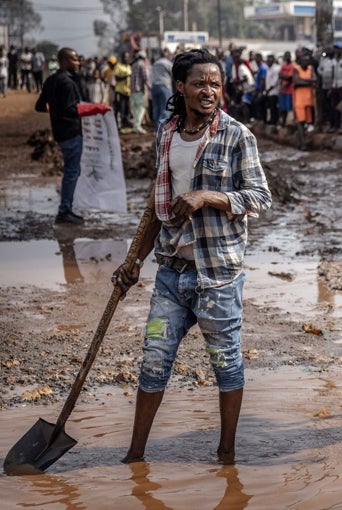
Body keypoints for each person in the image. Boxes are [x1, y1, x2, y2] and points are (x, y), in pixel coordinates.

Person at [111, 48, 272, 465]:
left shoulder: (238, 136)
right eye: (199, 83)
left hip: (217, 275)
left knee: (226, 364)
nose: (208, 91)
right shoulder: (167, 134)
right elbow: (156, 206)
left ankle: (227, 455)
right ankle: (134, 455)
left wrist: (209, 196)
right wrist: (133, 262)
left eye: (215, 84)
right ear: (179, 86)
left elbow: (260, 197)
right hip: (171, 272)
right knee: (153, 361)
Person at [35, 47, 110, 225]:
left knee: (72, 170)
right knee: (71, 172)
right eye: (75, 60)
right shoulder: (67, 83)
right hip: (71, 132)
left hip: (59, 132)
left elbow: (39, 106)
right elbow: (71, 109)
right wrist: (95, 109)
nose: (79, 63)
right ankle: (65, 211)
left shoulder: (52, 80)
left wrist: (55, 108)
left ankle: (66, 207)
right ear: (66, 61)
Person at [293, 52, 317, 150]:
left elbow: (315, 79)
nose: (306, 62)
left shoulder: (311, 68)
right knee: (300, 122)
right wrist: (309, 81)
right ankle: (302, 143)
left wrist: (303, 81)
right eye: (304, 60)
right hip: (299, 100)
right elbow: (296, 81)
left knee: (308, 123)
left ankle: (303, 141)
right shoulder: (296, 69)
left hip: (309, 100)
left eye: (307, 60)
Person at [151, 48, 174, 128]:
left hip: (154, 87)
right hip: (165, 86)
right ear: (166, 55)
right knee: (165, 108)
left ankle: (157, 129)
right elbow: (173, 74)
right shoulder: (168, 63)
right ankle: (162, 129)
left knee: (156, 109)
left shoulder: (155, 64)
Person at [129, 51, 151, 134]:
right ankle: (137, 126)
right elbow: (145, 77)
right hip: (139, 90)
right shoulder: (142, 65)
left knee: (135, 109)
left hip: (133, 90)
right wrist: (150, 87)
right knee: (141, 108)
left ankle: (135, 126)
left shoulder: (134, 65)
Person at [113, 52, 132, 130]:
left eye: (127, 57)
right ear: (122, 58)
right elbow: (117, 78)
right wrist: (126, 75)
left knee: (127, 109)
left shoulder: (128, 66)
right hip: (120, 91)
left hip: (127, 91)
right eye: (125, 57)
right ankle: (119, 126)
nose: (126, 59)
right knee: (121, 108)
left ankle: (125, 125)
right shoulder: (118, 66)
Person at [278, 51, 295, 127]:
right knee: (283, 108)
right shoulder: (283, 65)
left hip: (289, 90)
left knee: (290, 107)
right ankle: (283, 123)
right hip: (283, 90)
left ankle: (290, 123)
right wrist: (285, 77)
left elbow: (290, 78)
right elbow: (279, 75)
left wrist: (283, 77)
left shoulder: (292, 66)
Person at [263, 54, 280, 125]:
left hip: (274, 91)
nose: (269, 62)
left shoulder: (276, 69)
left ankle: (274, 121)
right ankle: (271, 120)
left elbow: (275, 82)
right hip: (268, 91)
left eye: (270, 60)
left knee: (274, 107)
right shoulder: (268, 68)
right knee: (270, 107)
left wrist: (268, 90)